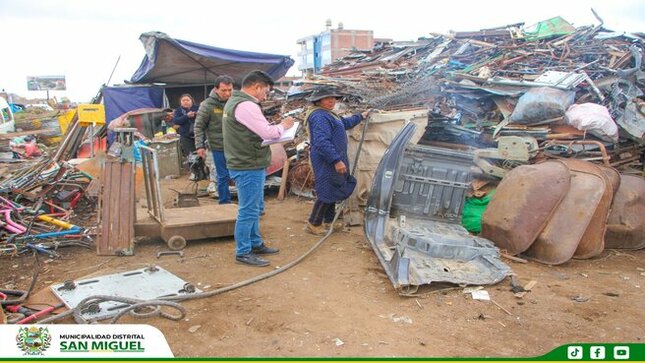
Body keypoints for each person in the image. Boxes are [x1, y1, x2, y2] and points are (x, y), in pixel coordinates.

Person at [223, 70, 295, 267]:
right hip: (248, 164)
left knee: (254, 208)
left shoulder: (236, 102)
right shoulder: (246, 105)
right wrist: (284, 126)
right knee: (248, 210)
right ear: (256, 87)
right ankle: (243, 251)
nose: (266, 96)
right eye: (266, 91)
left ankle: (255, 243)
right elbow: (267, 132)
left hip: (247, 161)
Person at [304, 87, 371, 236]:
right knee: (326, 190)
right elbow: (321, 141)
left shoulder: (329, 114)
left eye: (334, 98)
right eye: (327, 98)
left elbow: (345, 123)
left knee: (333, 187)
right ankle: (313, 223)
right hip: (326, 159)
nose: (332, 101)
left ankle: (328, 221)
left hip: (332, 157)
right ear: (318, 101)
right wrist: (336, 160)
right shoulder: (319, 116)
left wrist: (361, 116)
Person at [194, 76, 235, 204]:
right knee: (223, 175)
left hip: (236, 146)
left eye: (230, 90)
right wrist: (199, 146)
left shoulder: (235, 102)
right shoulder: (207, 105)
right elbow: (199, 126)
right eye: (224, 90)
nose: (227, 93)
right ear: (215, 89)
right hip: (219, 147)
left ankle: (244, 203)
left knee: (239, 174)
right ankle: (224, 202)